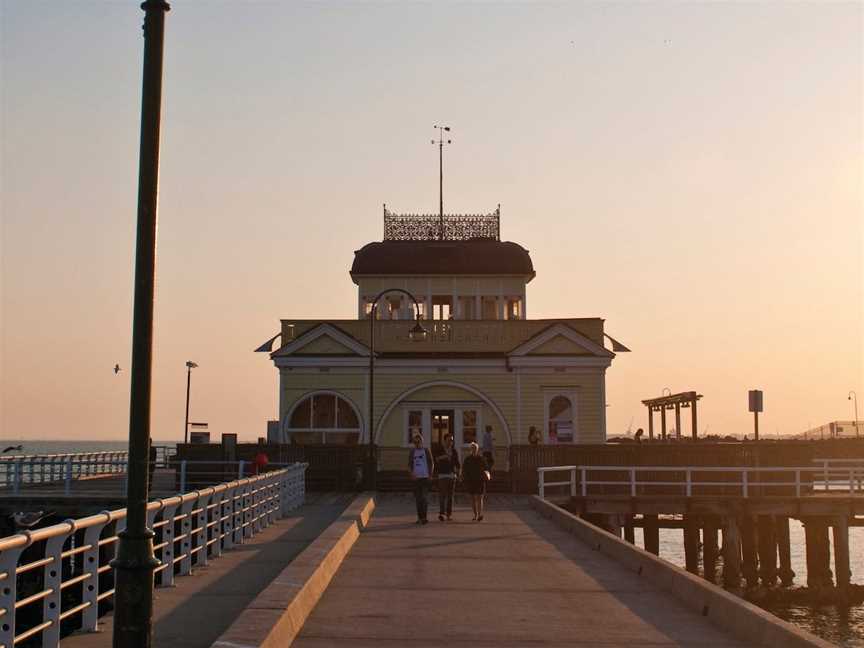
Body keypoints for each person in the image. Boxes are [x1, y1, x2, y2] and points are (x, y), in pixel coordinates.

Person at [407, 434, 434, 524]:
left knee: (424, 498)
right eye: (415, 442)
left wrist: (430, 474)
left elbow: (431, 463)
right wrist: (411, 474)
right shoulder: (412, 452)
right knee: (418, 499)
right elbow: (409, 465)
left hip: (425, 477)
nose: (417, 444)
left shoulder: (426, 451)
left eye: (418, 442)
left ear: (422, 442)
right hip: (416, 478)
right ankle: (419, 517)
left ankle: (424, 517)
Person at [436, 434, 460, 521]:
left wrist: (458, 473)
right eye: (449, 440)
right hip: (442, 475)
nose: (451, 442)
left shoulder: (454, 451)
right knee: (442, 496)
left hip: (452, 475)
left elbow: (457, 463)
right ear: (444, 440)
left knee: (450, 496)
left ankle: (449, 514)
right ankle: (442, 513)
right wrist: (445, 456)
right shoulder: (440, 449)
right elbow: (436, 459)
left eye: (452, 440)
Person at [461, 442, 488, 521]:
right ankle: (475, 514)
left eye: (475, 448)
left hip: (480, 481)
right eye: (472, 448)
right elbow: (464, 469)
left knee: (480, 498)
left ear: (477, 449)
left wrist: (486, 477)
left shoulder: (481, 458)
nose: (474, 450)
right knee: (472, 498)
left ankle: (480, 515)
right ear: (470, 449)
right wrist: (464, 478)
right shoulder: (467, 459)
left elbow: (486, 468)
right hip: (471, 481)